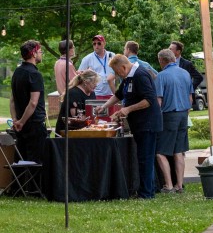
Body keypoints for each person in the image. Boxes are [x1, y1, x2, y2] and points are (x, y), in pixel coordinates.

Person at [100, 54, 163, 199]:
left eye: (117, 71)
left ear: (123, 67)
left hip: (148, 123)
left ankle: (146, 193)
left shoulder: (140, 75)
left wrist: (127, 109)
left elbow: (149, 100)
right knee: (144, 157)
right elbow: (118, 95)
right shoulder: (128, 77)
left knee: (145, 158)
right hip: (139, 124)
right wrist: (104, 107)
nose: (117, 75)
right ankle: (148, 189)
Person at [155, 48, 193, 193]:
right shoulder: (185, 73)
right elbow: (190, 98)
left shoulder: (161, 76)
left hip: (168, 115)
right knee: (179, 151)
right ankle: (180, 184)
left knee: (160, 152)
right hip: (184, 115)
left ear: (162, 61)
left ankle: (169, 185)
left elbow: (158, 101)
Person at [10, 40, 48, 163]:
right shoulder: (35, 74)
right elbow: (33, 102)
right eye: (40, 51)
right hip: (34, 126)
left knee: (20, 162)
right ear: (34, 53)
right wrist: (21, 122)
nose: (41, 54)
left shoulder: (17, 72)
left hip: (21, 127)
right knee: (36, 165)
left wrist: (16, 120)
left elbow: (12, 100)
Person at [79, 35, 116, 99]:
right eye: (94, 44)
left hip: (111, 93)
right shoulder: (87, 58)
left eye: (99, 43)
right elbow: (79, 75)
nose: (96, 46)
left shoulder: (112, 55)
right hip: (95, 94)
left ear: (104, 43)